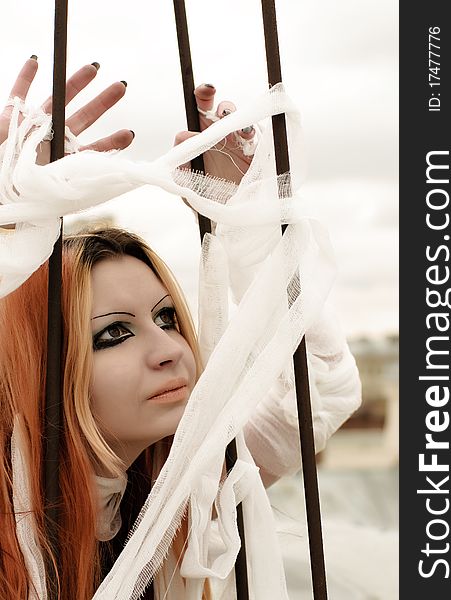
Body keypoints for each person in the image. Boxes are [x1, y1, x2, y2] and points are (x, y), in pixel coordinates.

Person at [0, 59, 361, 599]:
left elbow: (317, 395)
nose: (169, 348)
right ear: (41, 363)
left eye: (166, 317)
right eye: (114, 334)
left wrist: (254, 229)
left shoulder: (184, 493)